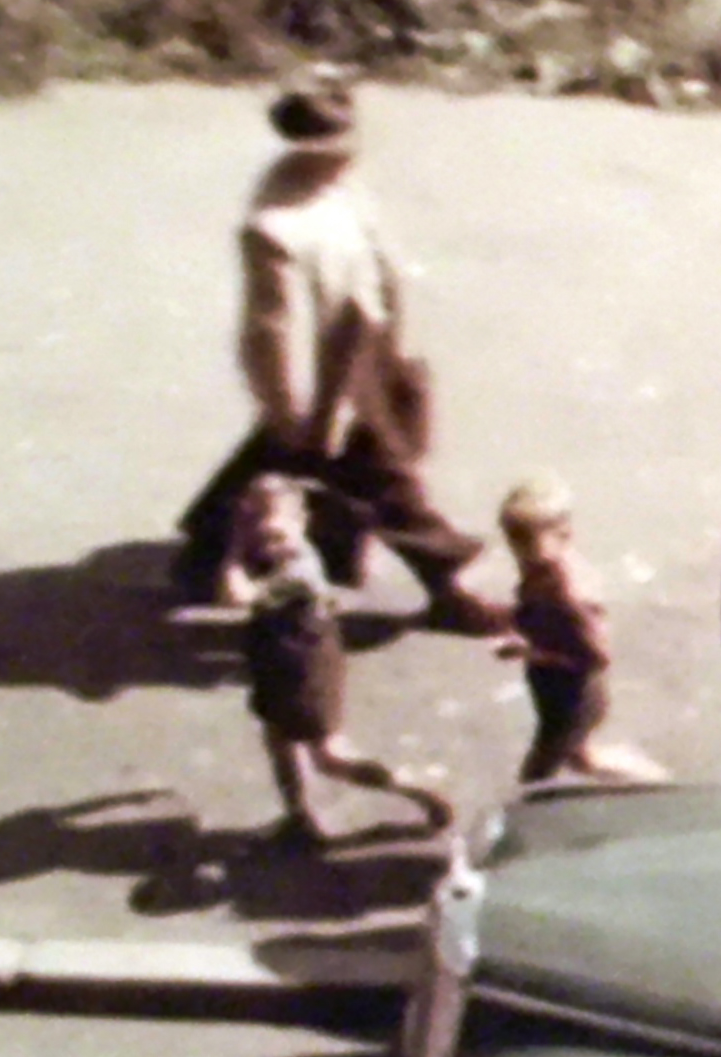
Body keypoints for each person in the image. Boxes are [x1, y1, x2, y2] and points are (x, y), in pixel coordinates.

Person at [172, 84, 505, 633]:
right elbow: (270, 327)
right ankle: (448, 580)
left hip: (366, 347)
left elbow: (380, 262)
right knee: (381, 476)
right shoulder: (274, 224)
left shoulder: (339, 187)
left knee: (291, 462)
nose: (352, 154)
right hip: (328, 372)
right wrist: (288, 406)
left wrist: (398, 348)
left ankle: (209, 552)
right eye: (338, 146)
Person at [228, 475, 455, 850]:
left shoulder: (295, 571)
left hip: (304, 671)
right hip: (279, 661)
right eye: (251, 517)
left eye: (270, 520)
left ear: (300, 522)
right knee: (279, 740)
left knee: (328, 756)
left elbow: (236, 595)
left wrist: (233, 550)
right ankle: (299, 817)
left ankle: (417, 791)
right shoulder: (279, 556)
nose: (261, 529)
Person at [496, 475, 665, 786]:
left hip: (575, 695)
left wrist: (533, 652)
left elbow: (595, 655)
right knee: (578, 757)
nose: (519, 546)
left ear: (563, 533)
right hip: (554, 689)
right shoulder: (540, 573)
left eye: (528, 536)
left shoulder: (566, 592)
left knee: (537, 774)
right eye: (514, 535)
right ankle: (649, 782)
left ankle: (653, 784)